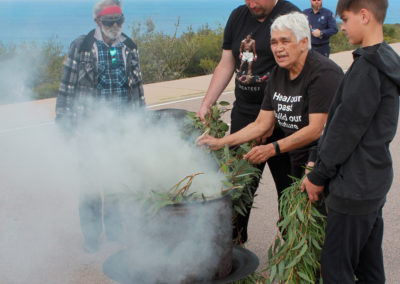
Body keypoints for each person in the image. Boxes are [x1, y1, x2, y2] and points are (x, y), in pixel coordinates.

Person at [197, 11, 343, 231]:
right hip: (297, 159)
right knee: (295, 224)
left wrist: (273, 148)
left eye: (285, 41)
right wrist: (220, 142)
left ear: (304, 42)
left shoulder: (324, 73)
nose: (278, 48)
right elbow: (261, 125)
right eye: (274, 42)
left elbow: (316, 129)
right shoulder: (277, 74)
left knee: (322, 229)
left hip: (323, 162)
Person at [301, 0, 400, 283]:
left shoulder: (367, 68)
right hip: (372, 182)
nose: (341, 27)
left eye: (345, 19)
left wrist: (318, 174)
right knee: (369, 267)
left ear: (364, 16)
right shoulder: (386, 58)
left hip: (354, 187)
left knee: (335, 269)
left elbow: (344, 130)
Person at [196, 0, 300, 244]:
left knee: (288, 189)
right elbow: (227, 63)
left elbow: (296, 70)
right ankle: (234, 247)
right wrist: (207, 103)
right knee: (237, 188)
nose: (251, 3)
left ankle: (292, 249)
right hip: (244, 115)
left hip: (282, 118)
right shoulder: (238, 16)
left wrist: (269, 120)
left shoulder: (289, 15)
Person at [55, 0, 145, 253]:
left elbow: (137, 90)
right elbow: (67, 87)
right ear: (97, 22)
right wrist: (63, 123)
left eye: (119, 20)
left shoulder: (130, 46)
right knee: (90, 186)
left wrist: (142, 126)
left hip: (121, 128)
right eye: (109, 22)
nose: (115, 26)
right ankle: (92, 238)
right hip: (89, 129)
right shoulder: (81, 47)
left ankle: (115, 233)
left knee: (116, 182)